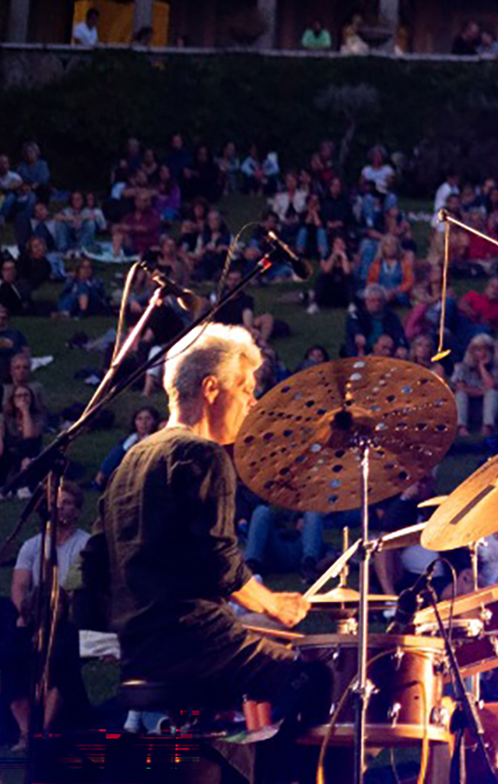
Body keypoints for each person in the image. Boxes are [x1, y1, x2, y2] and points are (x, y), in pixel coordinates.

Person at [102, 323, 329, 778]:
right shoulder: (202, 455)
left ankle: (232, 757)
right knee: (314, 679)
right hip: (193, 642)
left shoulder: (133, 459)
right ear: (210, 389)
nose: (252, 402)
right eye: (245, 389)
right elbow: (221, 564)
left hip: (141, 644)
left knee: (261, 655)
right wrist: (274, 605)